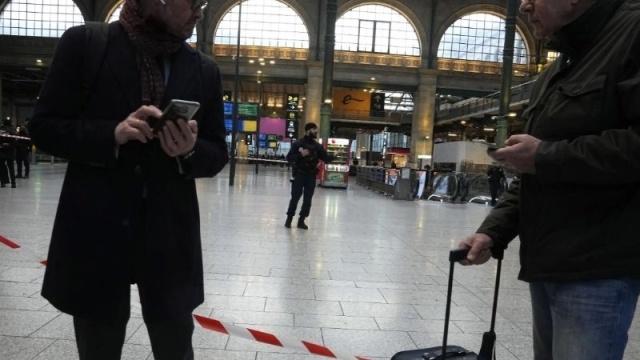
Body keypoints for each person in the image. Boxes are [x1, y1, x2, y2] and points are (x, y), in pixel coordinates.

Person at [29, 0, 228, 357]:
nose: (199, 12)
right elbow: (43, 127)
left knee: (175, 346)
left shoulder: (203, 69)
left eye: (203, 4)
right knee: (98, 345)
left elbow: (217, 154)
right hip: (97, 231)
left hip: (169, 235)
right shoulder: (87, 44)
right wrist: (112, 135)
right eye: (191, 3)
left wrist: (190, 149)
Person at [459, 1, 640, 359]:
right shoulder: (561, 66)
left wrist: (545, 156)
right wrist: (493, 231)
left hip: (597, 269)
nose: (524, 6)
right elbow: (533, 170)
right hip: (550, 263)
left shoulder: (632, 33)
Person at [285, 123, 331, 230]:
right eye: (314, 130)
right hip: (299, 174)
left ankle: (301, 220)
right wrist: (301, 155)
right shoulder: (298, 144)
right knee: (295, 197)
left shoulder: (317, 146)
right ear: (308, 130)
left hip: (311, 176)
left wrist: (334, 156)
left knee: (308, 199)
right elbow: (289, 158)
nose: (316, 132)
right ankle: (289, 219)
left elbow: (326, 158)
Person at [0, 120, 16, 188]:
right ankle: (13, 183)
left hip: (1, 151)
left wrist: (2, 144)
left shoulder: (0, 129)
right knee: (11, 168)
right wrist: (9, 145)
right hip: (10, 151)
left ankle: (3, 182)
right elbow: (14, 142)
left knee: (1, 167)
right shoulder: (12, 131)